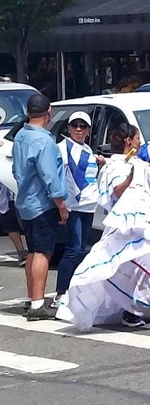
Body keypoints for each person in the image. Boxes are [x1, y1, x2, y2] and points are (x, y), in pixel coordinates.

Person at [64, 123, 150, 330]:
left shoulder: (139, 163)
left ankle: (146, 305)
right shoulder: (115, 166)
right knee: (126, 267)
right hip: (126, 227)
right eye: (137, 138)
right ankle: (130, 310)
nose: (140, 142)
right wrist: (131, 175)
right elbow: (117, 193)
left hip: (145, 224)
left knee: (145, 267)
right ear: (128, 141)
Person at [11, 94, 68, 320]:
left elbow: (16, 169)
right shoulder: (44, 141)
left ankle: (31, 297)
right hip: (42, 203)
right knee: (44, 252)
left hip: (25, 201)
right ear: (49, 111)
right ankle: (37, 303)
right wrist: (61, 204)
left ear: (27, 112)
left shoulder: (21, 136)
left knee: (33, 251)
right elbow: (49, 177)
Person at [52, 111, 105, 312]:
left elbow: (89, 178)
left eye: (83, 126)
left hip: (89, 206)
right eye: (75, 125)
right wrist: (61, 204)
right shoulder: (63, 148)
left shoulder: (88, 150)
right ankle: (60, 293)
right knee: (72, 250)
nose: (79, 129)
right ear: (68, 127)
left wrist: (99, 165)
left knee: (81, 250)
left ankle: (72, 291)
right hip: (74, 206)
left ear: (89, 130)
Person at [0, 185, 28, 266]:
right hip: (7, 198)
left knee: (27, 223)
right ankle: (21, 252)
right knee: (10, 224)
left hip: (21, 195)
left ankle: (33, 251)